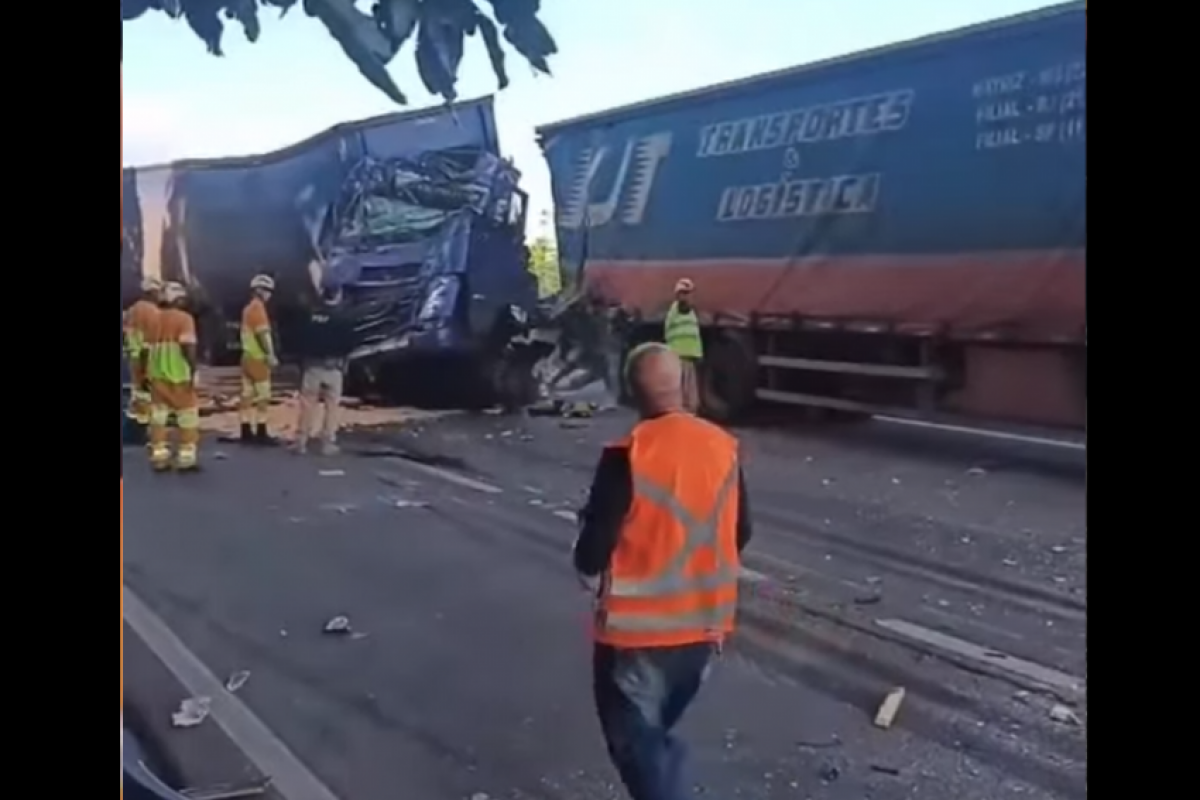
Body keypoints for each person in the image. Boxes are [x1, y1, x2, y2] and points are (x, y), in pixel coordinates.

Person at [573, 342, 753, 800]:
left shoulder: (627, 455)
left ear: (632, 395)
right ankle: (668, 765)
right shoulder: (723, 448)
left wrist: (589, 571)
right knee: (654, 735)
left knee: (634, 742)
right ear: (684, 384)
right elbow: (741, 530)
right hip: (703, 630)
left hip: (636, 639)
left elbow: (593, 550)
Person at [144, 282, 201, 472]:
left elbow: (145, 350)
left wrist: (145, 373)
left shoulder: (153, 320)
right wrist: (194, 370)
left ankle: (159, 456)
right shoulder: (185, 319)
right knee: (187, 418)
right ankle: (186, 458)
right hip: (179, 377)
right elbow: (188, 348)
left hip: (157, 376)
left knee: (159, 418)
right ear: (178, 299)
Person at [292, 286, 356, 455]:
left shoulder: (312, 317)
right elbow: (349, 345)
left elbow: (300, 339)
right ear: (338, 295)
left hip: (312, 367)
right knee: (332, 407)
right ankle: (327, 443)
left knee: (307, 405)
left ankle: (301, 442)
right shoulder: (343, 318)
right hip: (334, 368)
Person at [239, 273, 279, 444]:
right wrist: (270, 355)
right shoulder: (258, 309)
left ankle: (245, 430)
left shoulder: (247, 309)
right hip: (258, 358)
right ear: (261, 291)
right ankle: (261, 432)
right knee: (263, 396)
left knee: (247, 395)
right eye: (268, 291)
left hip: (246, 357)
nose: (269, 295)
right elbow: (263, 334)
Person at [123, 277, 161, 442]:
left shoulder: (132, 310)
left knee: (138, 394)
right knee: (145, 396)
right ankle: (135, 432)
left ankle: (133, 430)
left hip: (133, 357)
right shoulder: (153, 312)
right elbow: (151, 340)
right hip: (146, 357)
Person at [663, 278, 703, 413]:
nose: (688, 296)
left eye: (689, 293)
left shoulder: (690, 311)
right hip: (679, 357)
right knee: (683, 394)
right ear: (678, 295)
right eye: (684, 293)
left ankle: (689, 417)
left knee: (690, 395)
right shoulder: (678, 309)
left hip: (689, 357)